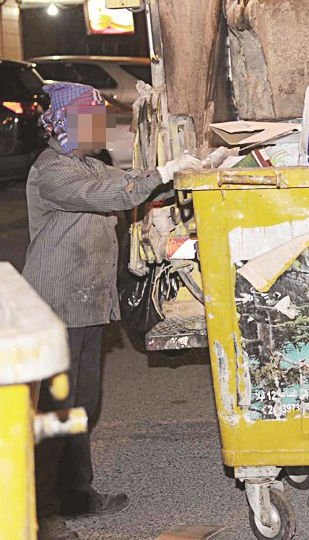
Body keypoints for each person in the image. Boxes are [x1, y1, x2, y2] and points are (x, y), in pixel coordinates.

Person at [23, 82, 200, 540]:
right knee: (57, 412)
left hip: (87, 302)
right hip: (55, 306)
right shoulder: (52, 172)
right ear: (66, 124)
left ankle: (76, 497)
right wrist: (163, 170)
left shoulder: (89, 164)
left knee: (82, 406)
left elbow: (128, 187)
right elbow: (113, 196)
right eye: (91, 119)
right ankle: (43, 517)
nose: (100, 128)